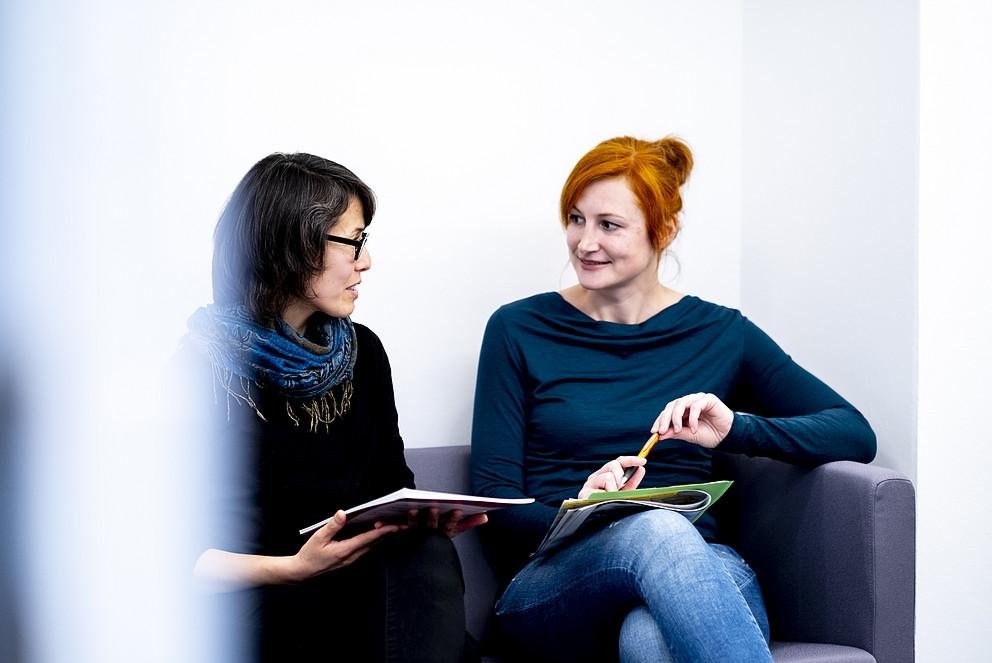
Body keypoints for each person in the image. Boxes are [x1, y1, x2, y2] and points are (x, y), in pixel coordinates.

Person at [470, 136, 876, 662]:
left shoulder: (721, 333)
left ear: (663, 230)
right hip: (555, 585)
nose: (584, 242)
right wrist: (589, 510)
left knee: (650, 641)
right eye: (575, 218)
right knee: (657, 526)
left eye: (608, 225)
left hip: (696, 569)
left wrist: (737, 430)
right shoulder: (518, 328)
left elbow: (853, 433)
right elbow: (494, 502)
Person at [182, 153, 485, 663]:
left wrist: (424, 517)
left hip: (359, 592)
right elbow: (179, 560)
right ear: (292, 246)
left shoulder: (362, 353)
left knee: (424, 553)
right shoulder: (202, 370)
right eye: (354, 241)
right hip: (262, 602)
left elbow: (393, 486)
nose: (365, 262)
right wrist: (297, 567)